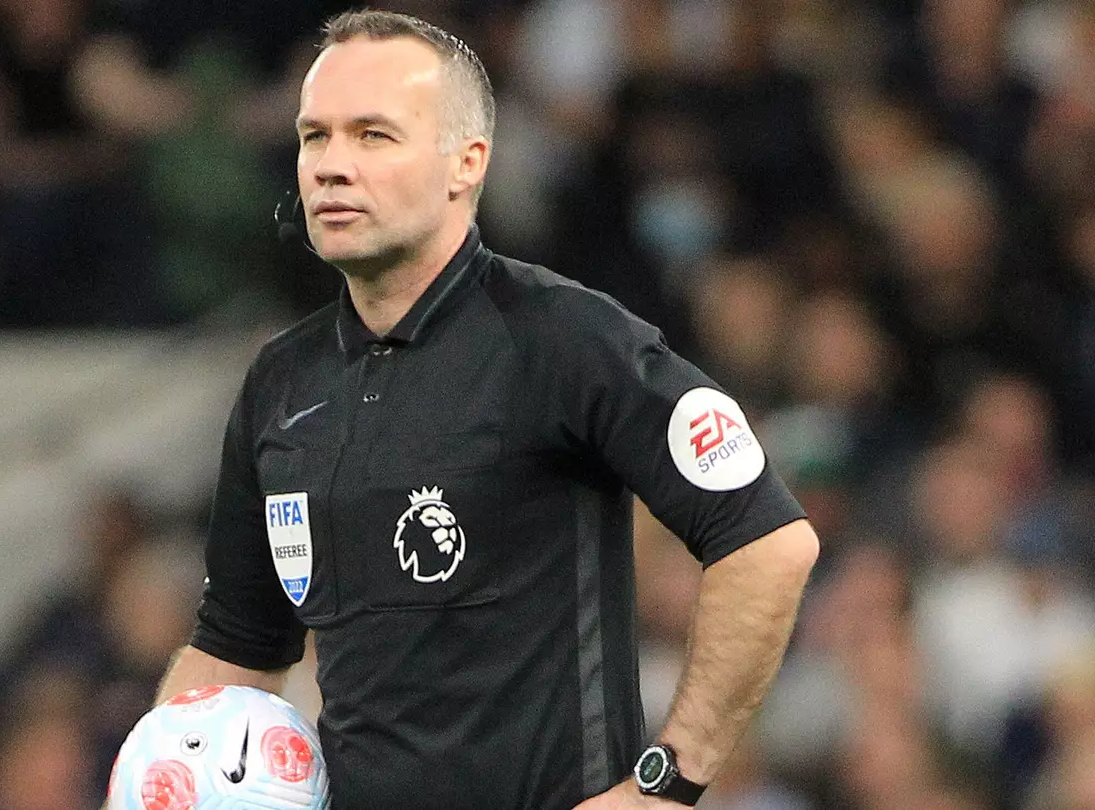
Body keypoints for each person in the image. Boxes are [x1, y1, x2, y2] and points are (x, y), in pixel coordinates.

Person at [148, 10, 820, 810]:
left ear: (466, 163)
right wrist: (155, 777)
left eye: (372, 136)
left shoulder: (562, 340)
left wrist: (663, 786)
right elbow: (236, 651)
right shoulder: (282, 384)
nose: (330, 166)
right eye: (314, 136)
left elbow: (768, 542)